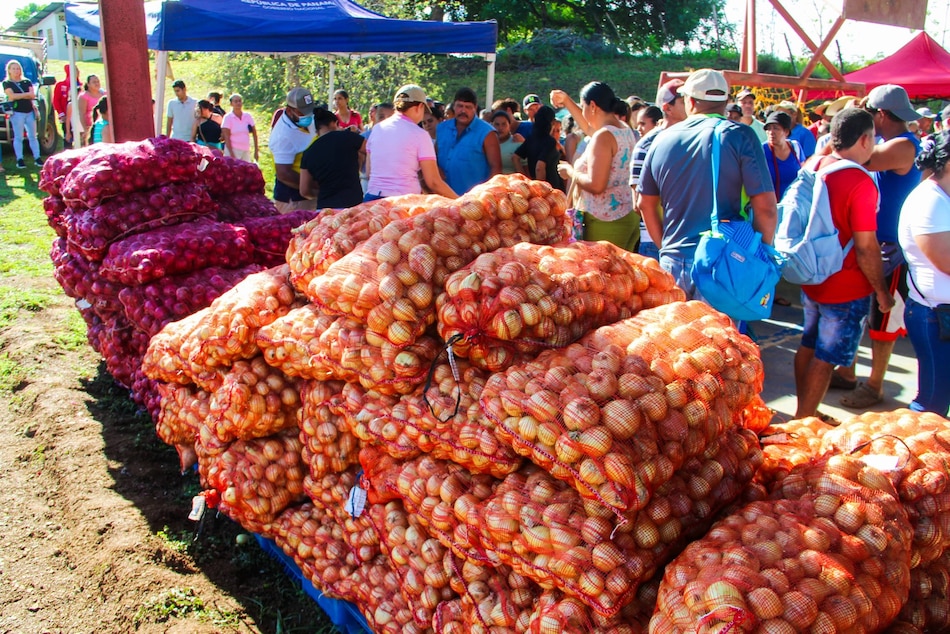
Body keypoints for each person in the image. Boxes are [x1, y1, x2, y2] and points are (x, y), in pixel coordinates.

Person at [637, 69, 777, 299]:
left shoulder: (660, 139)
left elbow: (645, 204)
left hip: (673, 262)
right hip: (726, 263)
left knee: (675, 334)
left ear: (689, 101)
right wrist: (758, 257)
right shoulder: (741, 135)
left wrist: (667, 248)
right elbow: (767, 209)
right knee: (720, 335)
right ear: (726, 102)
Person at [793, 108, 893, 423]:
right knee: (826, 358)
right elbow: (866, 247)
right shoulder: (859, 181)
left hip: (811, 275)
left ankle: (803, 413)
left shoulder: (815, 164)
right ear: (864, 139)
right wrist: (881, 292)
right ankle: (804, 423)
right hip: (846, 285)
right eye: (874, 138)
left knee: (808, 345)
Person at [831, 84, 922, 408]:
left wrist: (853, 122)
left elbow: (861, 157)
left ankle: (874, 385)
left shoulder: (904, 145)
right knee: (862, 312)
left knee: (882, 317)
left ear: (881, 114)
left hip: (892, 249)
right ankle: (849, 372)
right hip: (874, 242)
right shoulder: (896, 142)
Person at [551, 82, 638, 251]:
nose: (582, 111)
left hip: (606, 221)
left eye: (582, 106)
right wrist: (567, 102)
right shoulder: (623, 129)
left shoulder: (603, 136)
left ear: (593, 106)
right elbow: (588, 127)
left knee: (604, 275)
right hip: (626, 216)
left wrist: (571, 172)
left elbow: (596, 185)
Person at [899, 131, 950, 416]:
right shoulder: (930, 201)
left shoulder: (941, 196)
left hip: (939, 313)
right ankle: (914, 459)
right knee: (931, 404)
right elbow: (946, 260)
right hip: (935, 316)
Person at [629, 79, 689, 261]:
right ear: (667, 108)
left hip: (689, 241)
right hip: (658, 243)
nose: (689, 103)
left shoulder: (693, 139)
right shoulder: (646, 145)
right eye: (682, 100)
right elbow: (638, 203)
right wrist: (664, 245)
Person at [364, 84, 456, 201]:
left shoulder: (377, 129)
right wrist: (459, 201)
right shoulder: (420, 135)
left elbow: (368, 173)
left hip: (372, 199)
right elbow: (433, 182)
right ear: (419, 107)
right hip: (403, 202)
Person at [435, 87, 502, 195]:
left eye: (468, 107)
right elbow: (433, 156)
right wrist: (436, 169)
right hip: (444, 196)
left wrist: (486, 196)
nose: (463, 111)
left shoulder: (487, 133)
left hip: (474, 200)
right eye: (459, 106)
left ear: (475, 108)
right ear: (454, 106)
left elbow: (496, 169)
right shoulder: (442, 128)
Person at [299, 107, 366, 209]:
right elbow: (371, 149)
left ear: (316, 130)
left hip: (325, 208)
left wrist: (321, 193)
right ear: (334, 123)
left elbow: (304, 191)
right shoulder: (349, 137)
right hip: (353, 205)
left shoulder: (309, 152)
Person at [269, 87, 319, 214]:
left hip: (311, 192)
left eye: (309, 111)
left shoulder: (307, 120)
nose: (307, 116)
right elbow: (284, 174)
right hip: (293, 197)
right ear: (289, 111)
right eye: (302, 113)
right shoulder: (283, 136)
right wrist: (311, 186)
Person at [513, 105, 563, 190]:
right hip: (550, 187)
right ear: (552, 122)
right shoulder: (550, 141)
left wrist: (526, 179)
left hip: (534, 184)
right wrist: (541, 190)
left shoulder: (531, 139)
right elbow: (540, 167)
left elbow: (515, 157)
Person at [3, 60, 42, 168]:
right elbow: (12, 96)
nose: (16, 71)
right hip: (17, 113)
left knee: (33, 136)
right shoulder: (7, 83)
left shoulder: (27, 82)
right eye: (14, 69)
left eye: (18, 68)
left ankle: (37, 157)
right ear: (9, 71)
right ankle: (20, 159)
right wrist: (26, 95)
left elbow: (32, 95)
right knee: (18, 136)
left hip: (29, 111)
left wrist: (21, 95)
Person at [762, 111, 804, 201]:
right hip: (770, 207)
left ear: (786, 131)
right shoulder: (761, 151)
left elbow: (803, 175)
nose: (771, 132)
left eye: (776, 128)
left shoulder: (795, 147)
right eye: (768, 129)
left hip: (794, 205)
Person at [221, 93, 259, 162]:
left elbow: (254, 133)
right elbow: (226, 137)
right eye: (236, 101)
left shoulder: (248, 116)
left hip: (245, 150)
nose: (238, 103)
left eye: (240, 101)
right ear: (231, 104)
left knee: (247, 170)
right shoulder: (228, 118)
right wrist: (231, 154)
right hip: (233, 149)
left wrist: (256, 150)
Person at [53, 64, 79, 149]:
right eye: (73, 70)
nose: (76, 72)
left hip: (78, 117)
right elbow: (56, 101)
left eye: (77, 70)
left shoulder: (80, 86)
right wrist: (61, 114)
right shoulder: (60, 85)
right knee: (68, 139)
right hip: (66, 117)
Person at [491, 110, 524, 175]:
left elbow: (526, 173)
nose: (500, 128)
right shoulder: (486, 144)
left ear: (509, 125)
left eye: (504, 124)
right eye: (497, 124)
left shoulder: (518, 143)